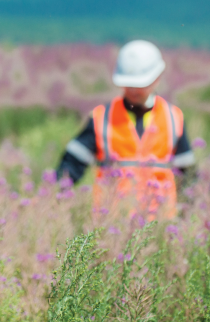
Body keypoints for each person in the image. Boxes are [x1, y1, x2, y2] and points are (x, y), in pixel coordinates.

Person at [56, 40, 195, 218]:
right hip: (111, 223)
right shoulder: (101, 117)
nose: (134, 90)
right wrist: (53, 198)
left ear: (157, 78)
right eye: (129, 84)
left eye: (140, 85)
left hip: (161, 224)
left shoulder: (173, 118)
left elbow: (188, 176)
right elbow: (70, 167)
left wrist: (188, 219)